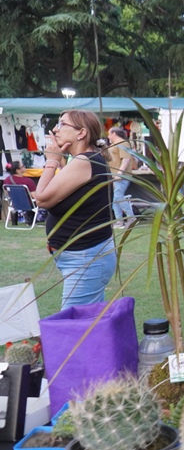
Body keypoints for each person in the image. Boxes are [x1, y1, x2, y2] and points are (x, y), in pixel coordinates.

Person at [33, 110, 117, 310]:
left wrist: (52, 160)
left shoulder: (85, 161)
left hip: (85, 259)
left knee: (73, 325)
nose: (56, 129)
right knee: (88, 322)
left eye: (62, 124)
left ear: (81, 133)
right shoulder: (84, 160)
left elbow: (41, 198)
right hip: (82, 257)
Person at [106, 127, 135, 228]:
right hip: (114, 175)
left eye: (109, 134)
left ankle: (131, 218)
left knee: (118, 196)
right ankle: (119, 221)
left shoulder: (123, 143)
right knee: (115, 198)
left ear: (114, 133)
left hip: (121, 175)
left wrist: (120, 172)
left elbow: (126, 158)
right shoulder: (113, 144)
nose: (108, 136)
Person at [4, 160, 38, 225]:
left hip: (14, 203)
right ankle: (30, 220)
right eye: (23, 166)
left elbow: (7, 193)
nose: (25, 167)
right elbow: (35, 196)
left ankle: (14, 221)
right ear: (17, 170)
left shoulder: (7, 180)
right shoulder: (28, 181)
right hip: (28, 204)